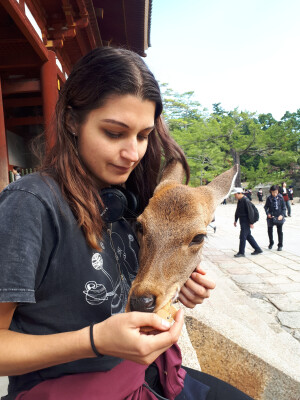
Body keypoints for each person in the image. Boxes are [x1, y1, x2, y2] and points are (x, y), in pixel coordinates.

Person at [0, 47, 253, 400]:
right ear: (73, 121)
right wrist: (96, 341)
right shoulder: (31, 204)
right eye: (115, 133)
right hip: (67, 390)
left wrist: (180, 282)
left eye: (143, 135)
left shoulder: (128, 203)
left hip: (143, 373)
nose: (133, 153)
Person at [232, 187, 263, 258]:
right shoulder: (240, 200)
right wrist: (235, 220)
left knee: (243, 236)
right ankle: (258, 249)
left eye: (235, 194)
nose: (235, 196)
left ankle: (241, 252)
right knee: (248, 236)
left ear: (239, 193)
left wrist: (251, 222)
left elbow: (251, 212)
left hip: (246, 221)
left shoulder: (246, 200)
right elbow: (238, 211)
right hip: (242, 220)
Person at [264, 185, 286, 251]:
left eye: (276, 192)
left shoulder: (281, 197)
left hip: (279, 216)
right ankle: (271, 242)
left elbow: (284, 208)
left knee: (280, 231)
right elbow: (265, 207)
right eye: (273, 192)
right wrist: (268, 213)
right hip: (271, 216)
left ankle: (280, 245)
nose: (275, 194)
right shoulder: (269, 198)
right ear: (271, 191)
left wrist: (282, 215)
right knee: (270, 230)